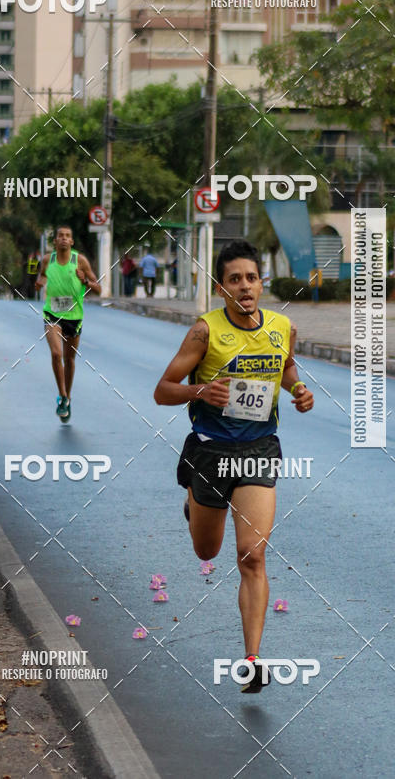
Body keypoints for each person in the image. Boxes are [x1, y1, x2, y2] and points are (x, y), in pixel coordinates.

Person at [154, 239, 314, 693]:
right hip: (210, 452)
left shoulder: (283, 327)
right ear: (221, 289)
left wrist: (299, 391)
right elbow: (163, 389)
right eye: (234, 279)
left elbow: (284, 370)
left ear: (261, 283)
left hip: (260, 449)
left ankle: (253, 659)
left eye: (251, 277)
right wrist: (199, 392)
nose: (245, 286)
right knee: (207, 551)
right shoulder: (205, 332)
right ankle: (194, 502)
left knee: (252, 554)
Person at [35, 226, 101, 421]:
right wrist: (40, 282)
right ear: (55, 241)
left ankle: (68, 397)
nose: (64, 239)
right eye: (60, 236)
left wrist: (86, 282)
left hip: (74, 317)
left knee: (69, 359)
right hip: (52, 313)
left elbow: (99, 289)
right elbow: (43, 275)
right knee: (56, 354)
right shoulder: (48, 259)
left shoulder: (80, 260)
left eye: (67, 236)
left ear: (71, 242)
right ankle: (62, 396)